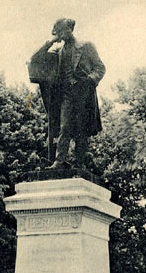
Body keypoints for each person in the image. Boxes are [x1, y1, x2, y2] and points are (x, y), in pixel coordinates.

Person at [29, 18, 105, 168]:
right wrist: (51, 41)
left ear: (70, 30)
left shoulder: (86, 46)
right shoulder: (58, 51)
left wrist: (89, 81)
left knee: (81, 130)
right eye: (59, 32)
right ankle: (59, 160)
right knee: (65, 127)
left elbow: (100, 68)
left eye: (63, 31)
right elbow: (34, 58)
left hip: (83, 93)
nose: (61, 35)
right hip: (67, 94)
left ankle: (79, 163)